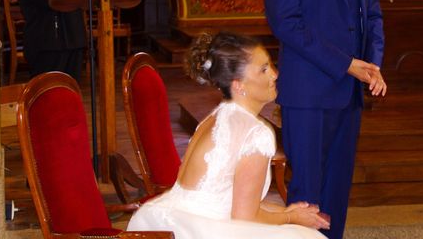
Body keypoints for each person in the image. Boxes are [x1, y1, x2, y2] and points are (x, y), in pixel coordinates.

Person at [262, 0, 387, 239]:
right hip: (309, 95)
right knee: (308, 196)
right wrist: (348, 64)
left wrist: (373, 65)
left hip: (349, 93)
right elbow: (286, 24)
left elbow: (371, 13)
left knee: (337, 189)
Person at [127, 32, 329, 239]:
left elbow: (231, 199)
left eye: (270, 65)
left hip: (162, 218)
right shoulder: (256, 133)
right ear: (238, 84)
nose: (274, 74)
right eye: (263, 70)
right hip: (198, 230)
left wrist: (287, 212)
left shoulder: (214, 118)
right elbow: (244, 218)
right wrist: (290, 218)